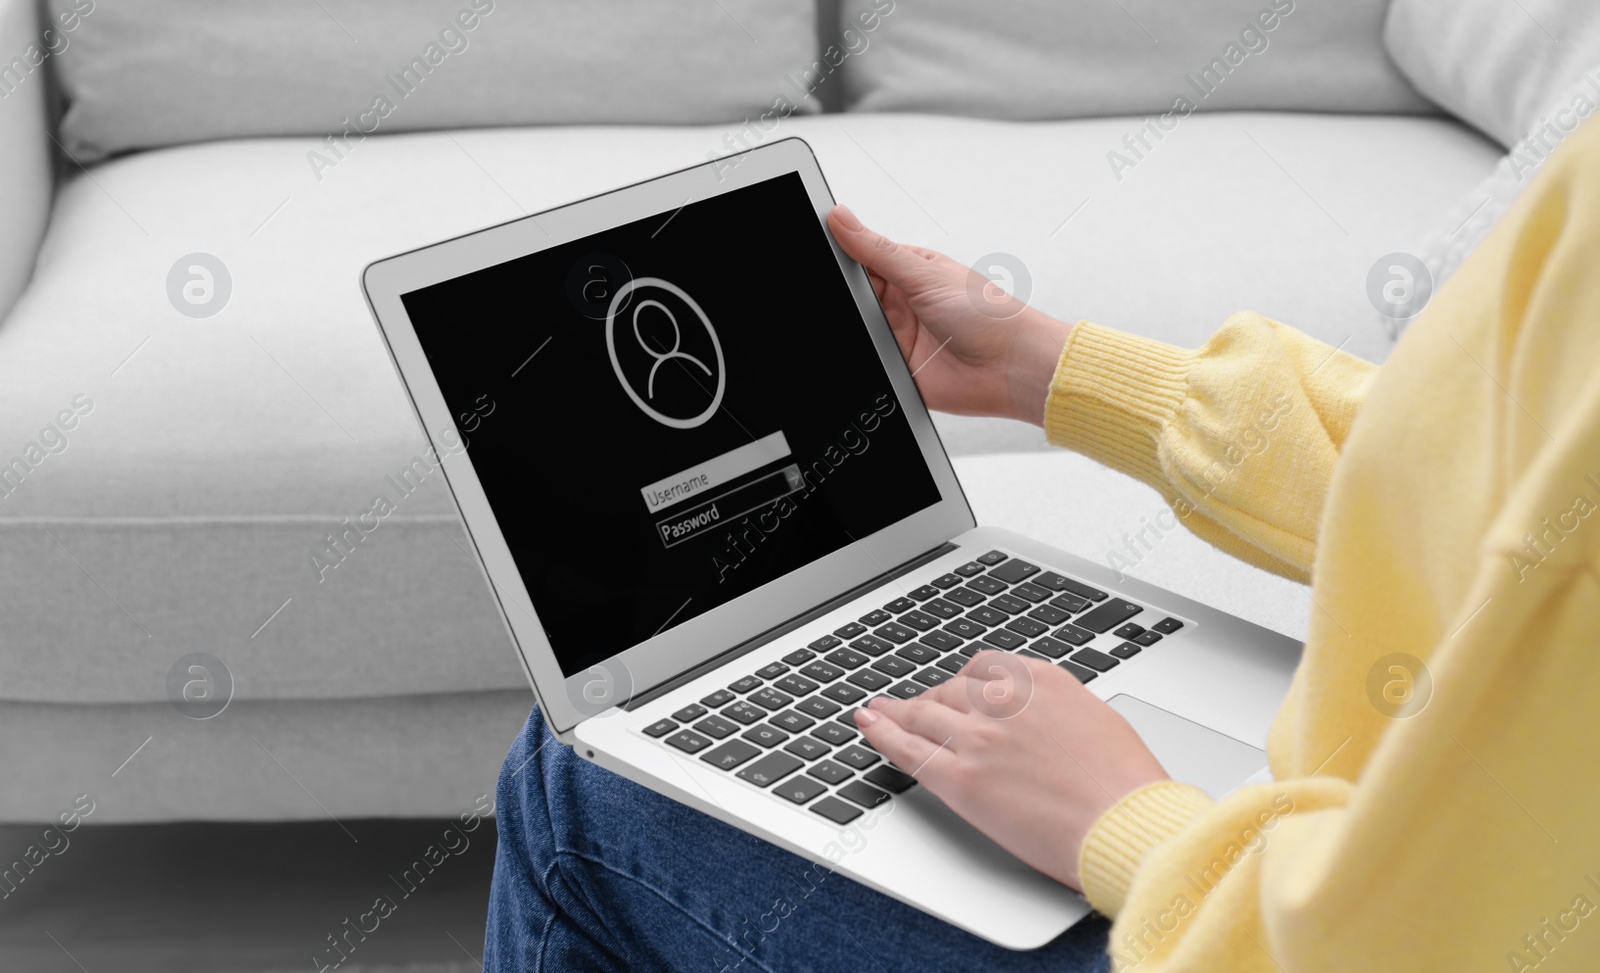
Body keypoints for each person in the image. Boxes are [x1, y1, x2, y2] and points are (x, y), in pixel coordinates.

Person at [484, 117, 1600, 972]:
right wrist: (1043, 368)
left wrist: (1128, 825)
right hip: (1354, 820)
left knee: (579, 779)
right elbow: (1480, 463)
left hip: (1272, 924)